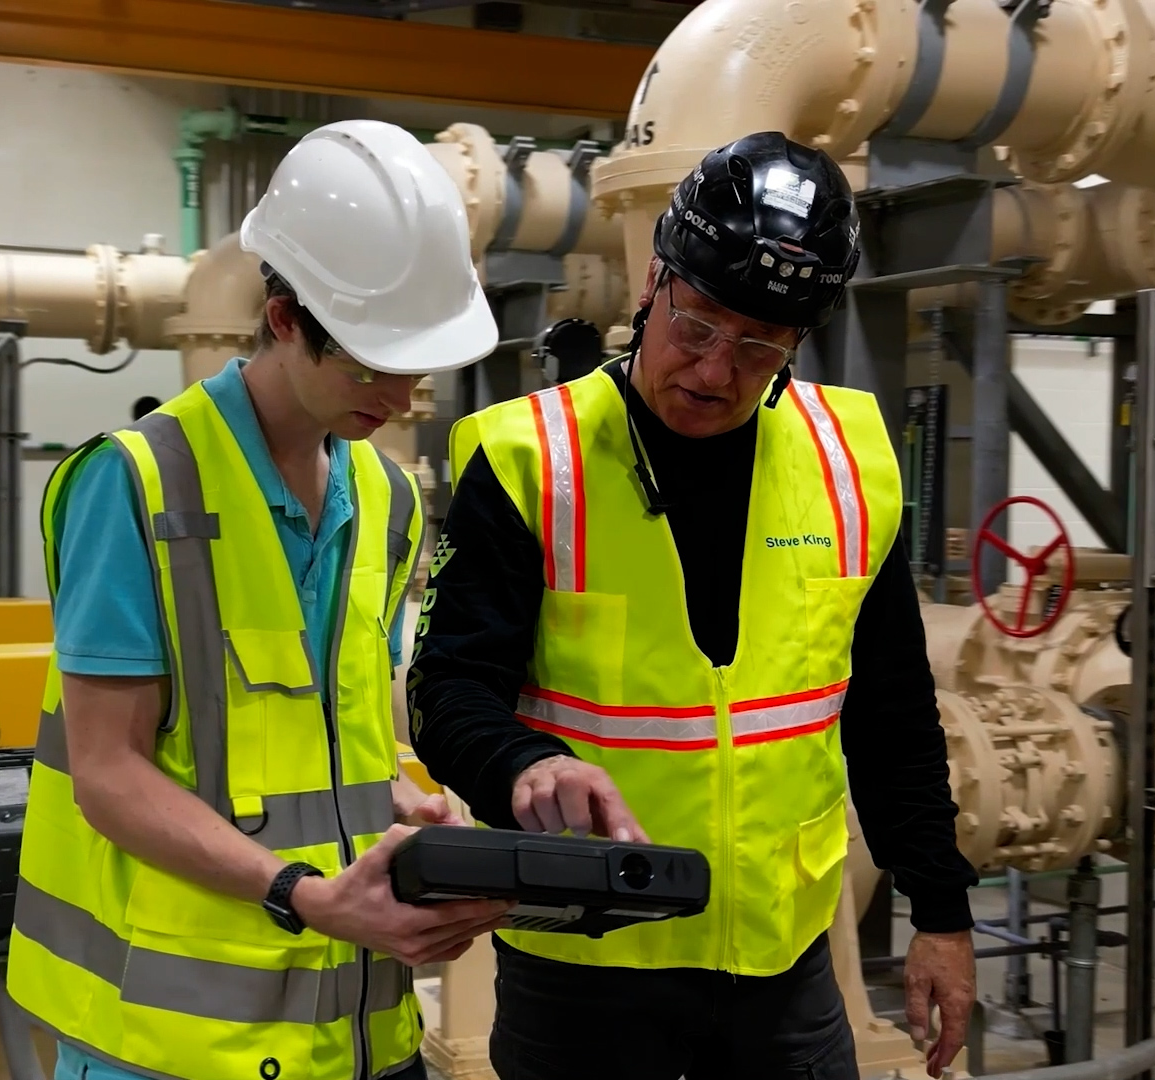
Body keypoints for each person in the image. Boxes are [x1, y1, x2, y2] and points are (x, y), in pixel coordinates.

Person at [407, 131, 980, 1080]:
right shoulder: (528, 459)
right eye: (700, 326)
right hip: (585, 962)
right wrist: (524, 764)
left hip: (783, 967)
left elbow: (893, 718)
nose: (716, 372)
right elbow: (448, 690)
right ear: (652, 282)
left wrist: (942, 914)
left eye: (760, 346)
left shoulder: (850, 464)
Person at [7, 119, 511, 1080]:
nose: (401, 397)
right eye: (373, 363)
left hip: (360, 1031)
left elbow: (318, 735)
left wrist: (400, 804)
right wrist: (305, 895)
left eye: (418, 368)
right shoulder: (137, 487)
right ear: (284, 319)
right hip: (170, 1042)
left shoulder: (389, 501)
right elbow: (106, 771)